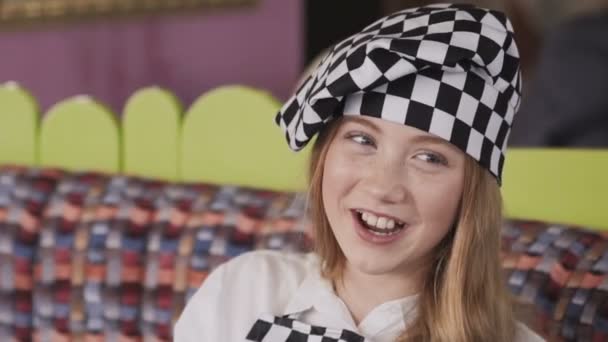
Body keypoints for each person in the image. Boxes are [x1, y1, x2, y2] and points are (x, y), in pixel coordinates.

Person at [174, 3, 545, 341]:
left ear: (470, 192)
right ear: (324, 156)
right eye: (363, 139)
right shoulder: (243, 291)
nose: (383, 186)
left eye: (429, 158)